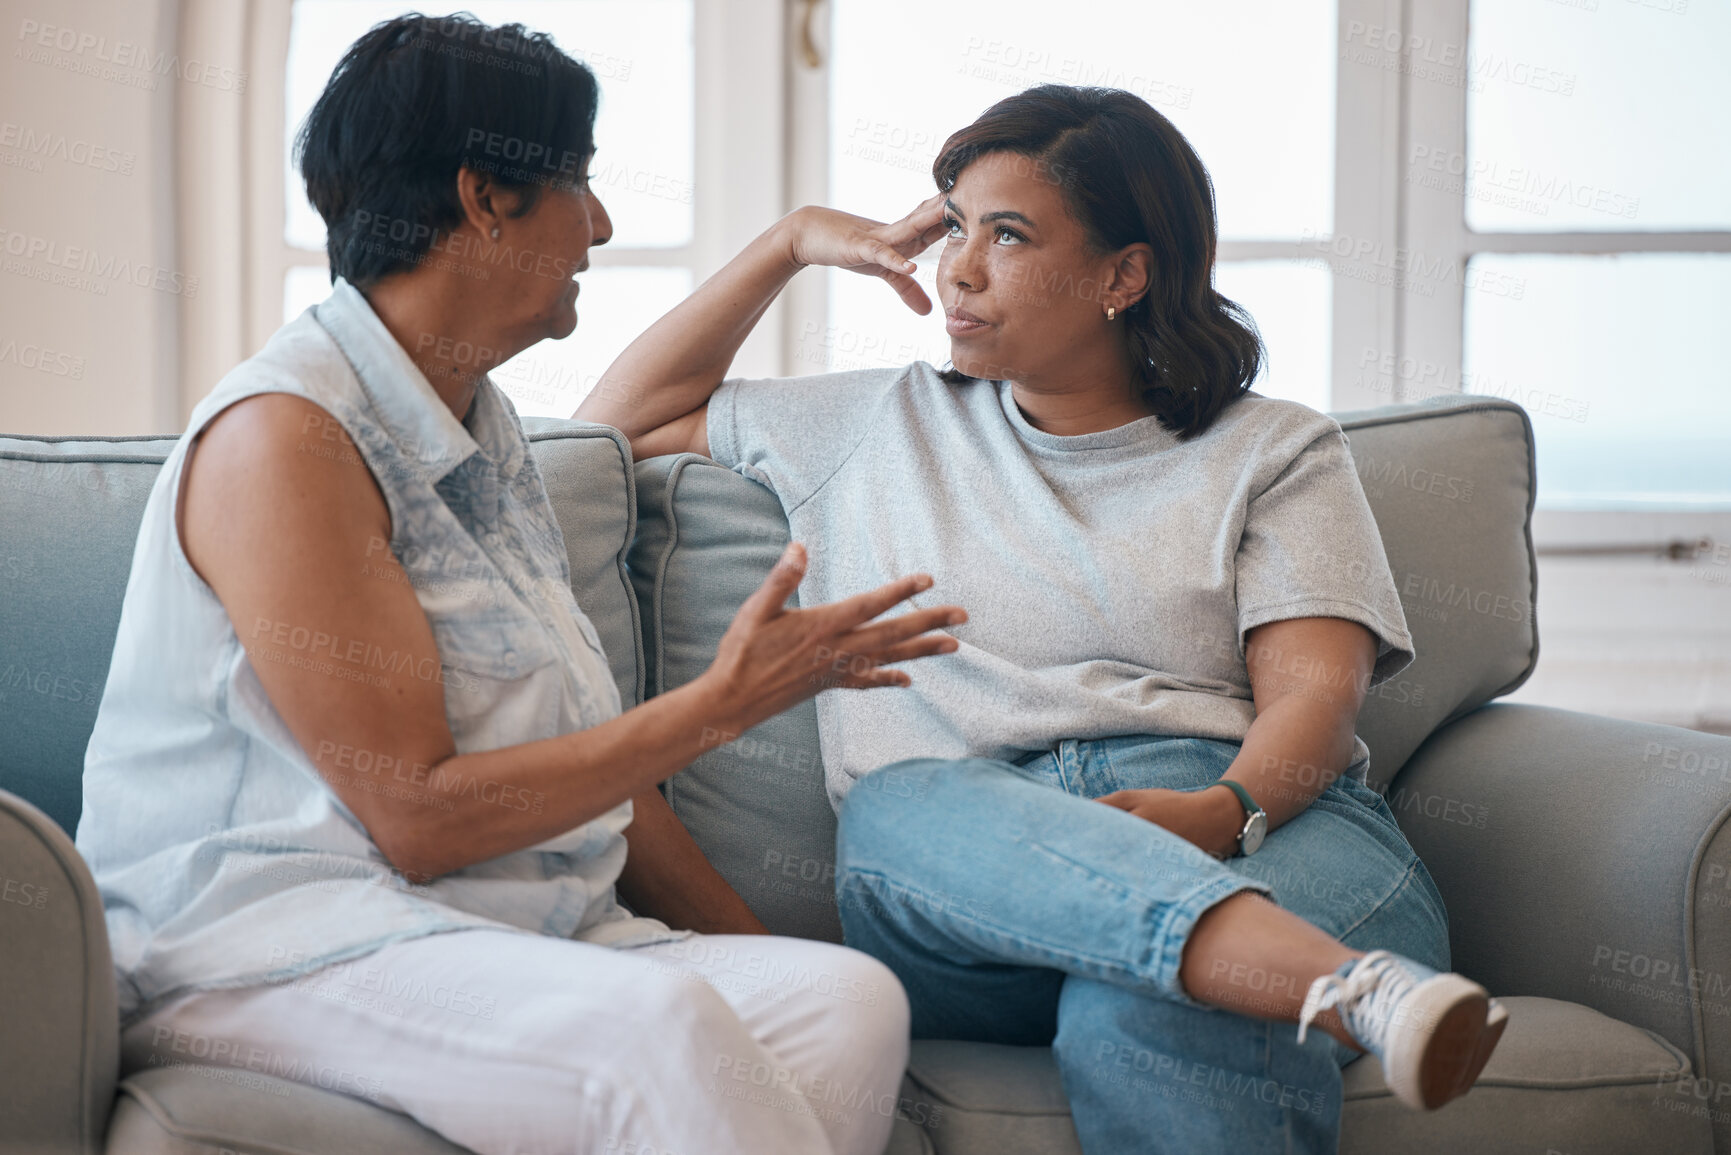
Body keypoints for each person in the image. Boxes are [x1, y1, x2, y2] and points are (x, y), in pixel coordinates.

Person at [74, 15, 960, 1155]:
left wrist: (770, 957)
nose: (599, 224)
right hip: (278, 944)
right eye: (577, 184)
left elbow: (595, 776)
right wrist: (723, 705)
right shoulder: (284, 438)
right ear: (485, 197)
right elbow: (418, 818)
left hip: (501, 935)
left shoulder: (479, 425)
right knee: (662, 1032)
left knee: (843, 1002)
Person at [577, 84, 1508, 1153]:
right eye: (954, 228)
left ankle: (1281, 965)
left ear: (1125, 274)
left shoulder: (1276, 451)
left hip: (1263, 830)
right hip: (970, 874)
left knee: (1156, 1000)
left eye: (1007, 236)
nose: (959, 269)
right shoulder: (868, 423)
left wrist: (1216, 814)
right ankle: (1341, 987)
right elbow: (611, 430)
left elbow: (1316, 702)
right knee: (898, 806)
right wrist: (790, 244)